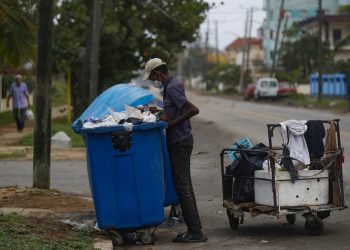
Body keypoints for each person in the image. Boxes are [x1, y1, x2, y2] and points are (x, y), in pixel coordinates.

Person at [143, 58, 207, 243]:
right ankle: (195, 229)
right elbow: (174, 110)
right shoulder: (171, 86)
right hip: (179, 140)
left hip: (180, 141)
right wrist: (156, 113)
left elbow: (193, 110)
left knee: (183, 187)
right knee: (185, 186)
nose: (154, 80)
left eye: (153, 77)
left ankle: (195, 232)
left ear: (157, 73)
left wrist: (171, 123)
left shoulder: (171, 87)